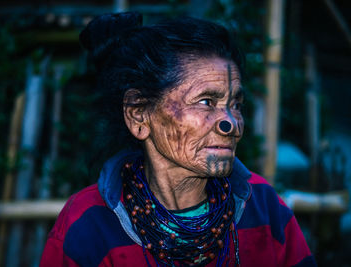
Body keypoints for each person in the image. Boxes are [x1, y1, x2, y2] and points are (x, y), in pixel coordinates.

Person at [40, 12, 316, 267]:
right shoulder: (88, 224)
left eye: (235, 104)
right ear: (138, 115)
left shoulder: (263, 206)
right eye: (206, 102)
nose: (231, 123)